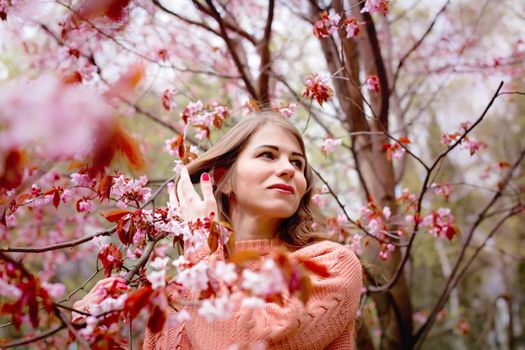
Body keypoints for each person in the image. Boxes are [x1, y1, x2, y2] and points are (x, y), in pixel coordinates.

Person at [75, 112, 363, 349]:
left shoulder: (331, 264)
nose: (288, 169)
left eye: (297, 162)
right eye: (268, 155)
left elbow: (247, 340)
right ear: (225, 179)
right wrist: (91, 326)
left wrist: (202, 244)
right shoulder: (178, 297)